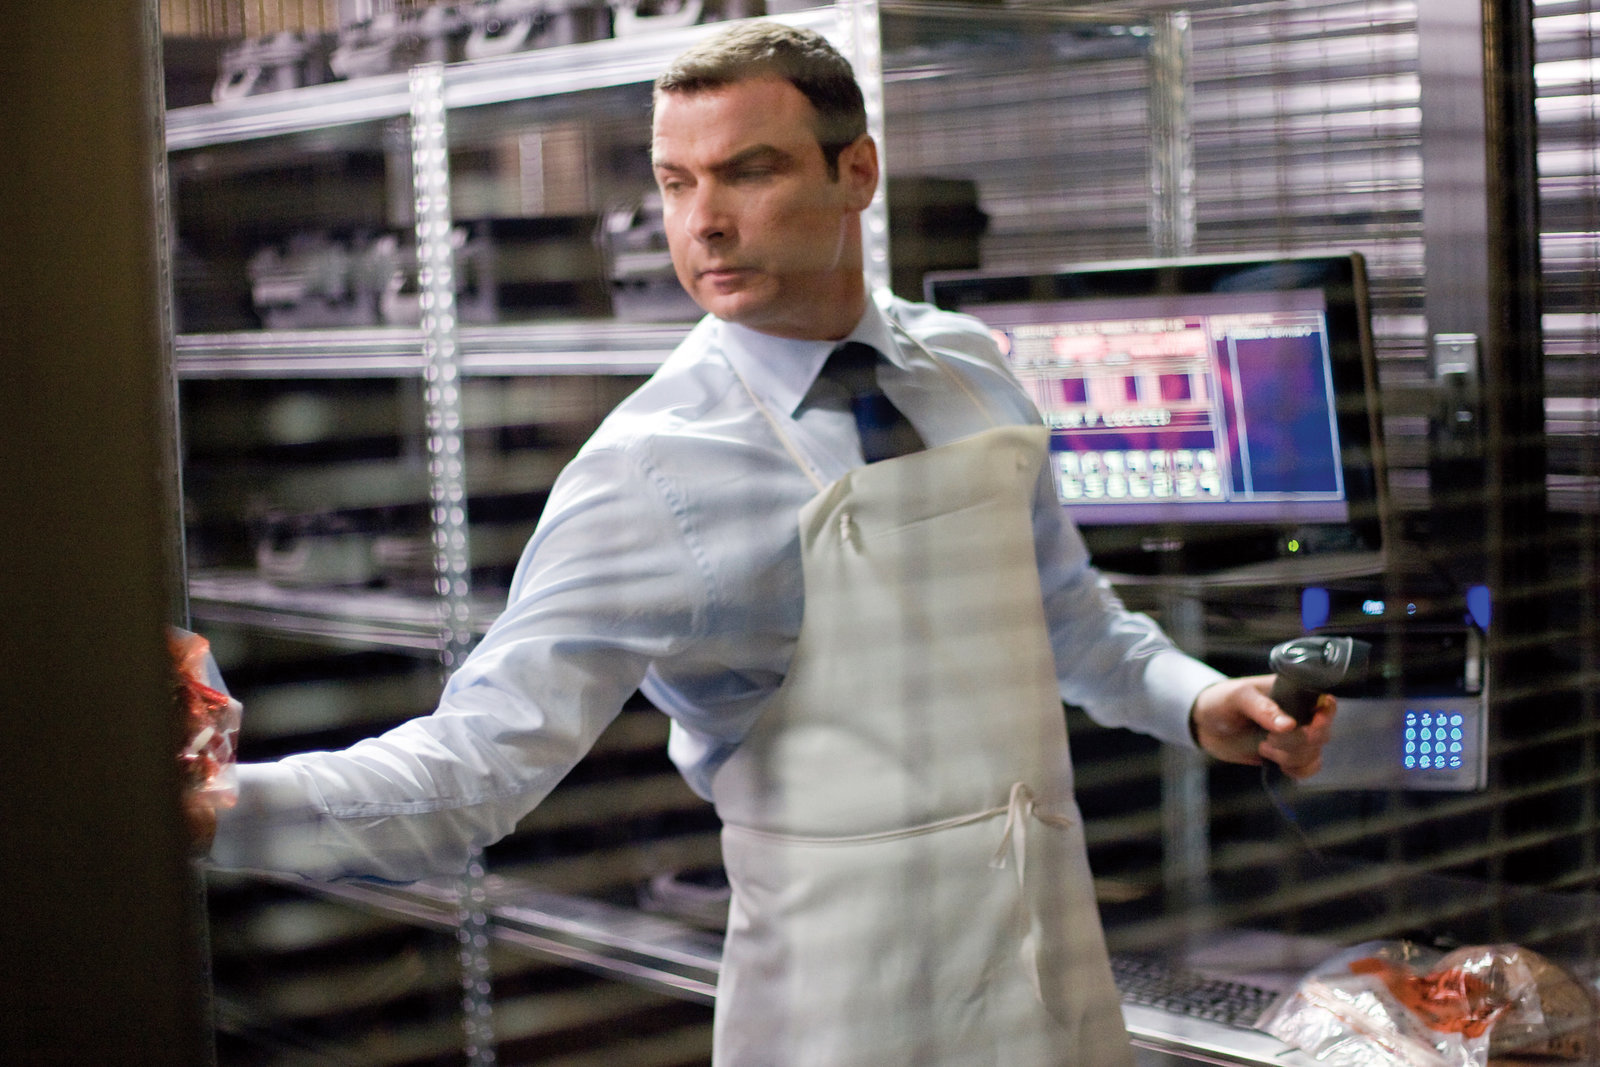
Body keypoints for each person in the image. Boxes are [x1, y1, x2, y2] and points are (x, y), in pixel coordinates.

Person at [200, 20, 1335, 1065]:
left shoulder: (968, 368)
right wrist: (211, 809)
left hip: (1051, 980)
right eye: (675, 181)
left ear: (857, 172)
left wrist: (1196, 700)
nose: (701, 221)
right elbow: (476, 767)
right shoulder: (651, 467)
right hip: (844, 1015)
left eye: (749, 170)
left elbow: (1064, 615)